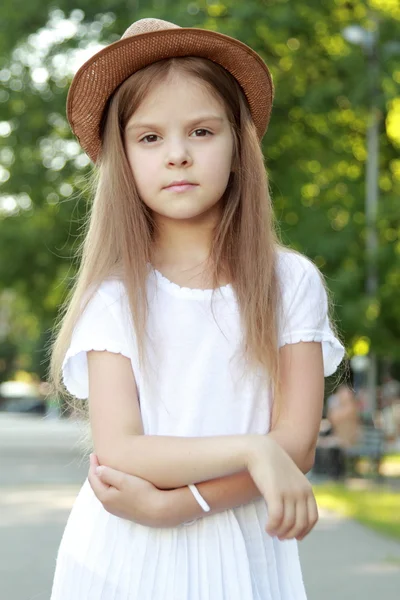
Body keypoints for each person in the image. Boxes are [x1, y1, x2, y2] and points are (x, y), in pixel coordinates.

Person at [48, 18, 345, 600]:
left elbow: (298, 446)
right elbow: (124, 452)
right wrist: (252, 448)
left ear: (239, 145)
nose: (178, 155)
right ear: (124, 159)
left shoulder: (290, 281)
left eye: (202, 132)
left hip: (246, 547)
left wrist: (181, 506)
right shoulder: (113, 297)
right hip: (122, 554)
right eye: (150, 137)